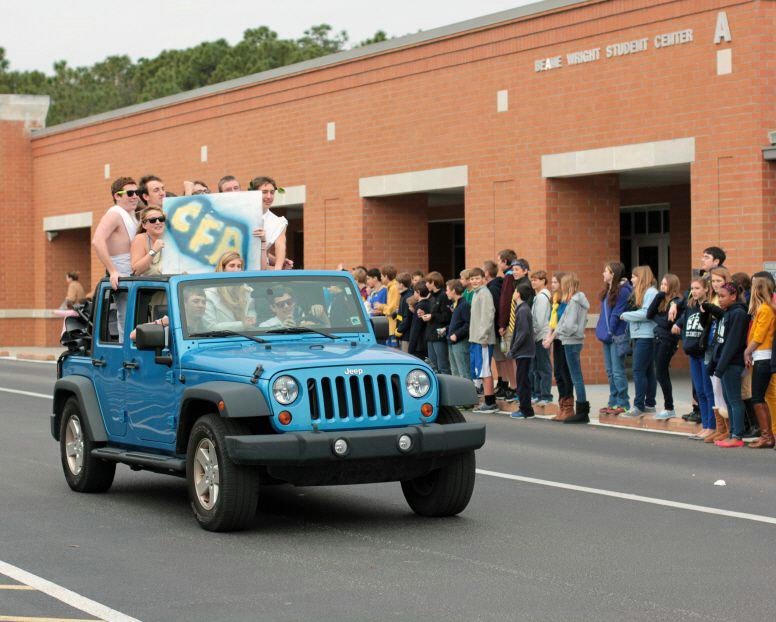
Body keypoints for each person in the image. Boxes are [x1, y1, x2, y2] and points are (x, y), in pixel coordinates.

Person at [92, 176, 140, 342]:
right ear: (116, 196)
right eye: (130, 193)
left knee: (136, 318)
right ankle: (124, 353)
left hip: (136, 274)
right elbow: (97, 240)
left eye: (137, 192)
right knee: (127, 319)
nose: (135, 196)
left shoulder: (131, 215)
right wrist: (112, 270)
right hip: (122, 274)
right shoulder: (114, 214)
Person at [708, 282, 749, 447]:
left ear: (733, 296)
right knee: (727, 399)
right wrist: (714, 362)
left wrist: (720, 366)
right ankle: (732, 433)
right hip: (724, 363)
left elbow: (732, 343)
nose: (720, 299)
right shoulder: (727, 313)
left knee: (734, 399)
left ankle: (737, 436)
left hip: (732, 363)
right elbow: (719, 341)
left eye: (723, 296)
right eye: (718, 296)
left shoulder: (738, 314)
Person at [673, 278, 715, 440]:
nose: (694, 291)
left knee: (707, 391)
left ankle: (712, 426)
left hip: (704, 352)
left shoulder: (710, 306)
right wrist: (678, 324)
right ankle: (705, 425)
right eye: (692, 288)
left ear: (706, 289)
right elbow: (683, 319)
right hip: (693, 352)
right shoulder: (691, 305)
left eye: (697, 288)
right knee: (699, 391)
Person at [743, 275, 776, 448]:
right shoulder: (765, 308)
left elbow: (759, 336)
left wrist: (747, 352)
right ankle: (768, 435)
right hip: (762, 357)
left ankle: (767, 437)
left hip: (763, 357)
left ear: (757, 290)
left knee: (757, 398)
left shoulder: (765, 309)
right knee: (762, 398)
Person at [621, 266, 658, 418]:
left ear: (641, 277)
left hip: (646, 336)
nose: (632, 279)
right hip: (640, 335)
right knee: (648, 371)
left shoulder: (651, 292)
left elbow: (646, 313)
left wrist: (625, 315)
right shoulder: (643, 292)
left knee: (638, 371)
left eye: (634, 276)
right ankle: (649, 404)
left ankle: (638, 406)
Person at [595, 262, 632, 416]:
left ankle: (623, 403)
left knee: (617, 371)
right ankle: (613, 401)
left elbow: (616, 313)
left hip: (616, 335)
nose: (603, 273)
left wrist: (609, 331)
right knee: (610, 371)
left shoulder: (623, 291)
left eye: (606, 271)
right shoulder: (608, 290)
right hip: (607, 335)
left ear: (613, 274)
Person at [553, 272, 590, 423]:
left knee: (576, 377)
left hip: (571, 341)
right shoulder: (576, 300)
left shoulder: (574, 302)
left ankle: (582, 411)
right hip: (574, 340)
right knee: (576, 376)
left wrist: (561, 332)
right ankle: (581, 410)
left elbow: (569, 325)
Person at [647, 273, 684, 420]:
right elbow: (649, 314)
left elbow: (667, 324)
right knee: (660, 373)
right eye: (661, 284)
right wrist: (658, 296)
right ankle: (668, 407)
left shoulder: (676, 302)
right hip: (658, 338)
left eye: (665, 284)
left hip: (667, 341)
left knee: (661, 373)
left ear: (672, 286)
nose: (662, 287)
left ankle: (669, 407)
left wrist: (657, 318)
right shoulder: (662, 300)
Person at [543, 272, 574, 421]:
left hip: (564, 339)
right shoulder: (555, 300)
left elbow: (562, 323)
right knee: (558, 373)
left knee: (565, 372)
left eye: (555, 282)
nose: (552, 285)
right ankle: (562, 406)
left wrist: (551, 337)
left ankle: (568, 407)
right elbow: (552, 321)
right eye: (552, 282)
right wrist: (548, 336)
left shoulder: (566, 301)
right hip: (556, 339)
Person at [203, 251, 257, 331]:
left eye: (239, 266)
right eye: (232, 266)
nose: (236, 270)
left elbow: (251, 309)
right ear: (222, 269)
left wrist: (251, 317)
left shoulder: (247, 290)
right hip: (222, 338)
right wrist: (242, 325)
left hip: (250, 336)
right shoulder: (209, 294)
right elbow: (210, 327)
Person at [469, 267, 498, 413]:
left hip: (483, 340)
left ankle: (490, 402)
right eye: (472, 279)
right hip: (475, 339)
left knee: (485, 370)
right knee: (481, 370)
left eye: (477, 278)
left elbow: (488, 316)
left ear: (483, 279)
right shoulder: (476, 293)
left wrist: (484, 337)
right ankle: (488, 401)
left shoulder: (485, 293)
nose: (474, 281)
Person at [507, 282, 535, 419]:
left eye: (515, 291)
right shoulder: (522, 308)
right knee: (523, 380)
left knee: (522, 381)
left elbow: (523, 332)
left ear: (518, 294)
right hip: (523, 351)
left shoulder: (523, 310)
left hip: (524, 351)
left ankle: (525, 410)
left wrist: (513, 349)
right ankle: (527, 409)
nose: (513, 293)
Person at [249, 176, 288, 270]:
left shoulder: (278, 222)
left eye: (272, 192)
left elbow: (280, 245)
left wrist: (278, 269)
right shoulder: (242, 214)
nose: (269, 196)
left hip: (261, 269)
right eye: (264, 192)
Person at [496, 250, 518, 401]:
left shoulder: (509, 277)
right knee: (508, 357)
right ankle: (513, 386)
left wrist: (502, 324)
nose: (498, 264)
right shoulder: (508, 276)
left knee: (511, 358)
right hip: (510, 323)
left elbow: (505, 302)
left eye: (499, 260)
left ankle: (515, 387)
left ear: (505, 261)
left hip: (509, 324)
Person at [529, 270, 553, 406]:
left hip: (541, 336)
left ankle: (546, 396)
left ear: (543, 281)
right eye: (532, 280)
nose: (533, 282)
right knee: (537, 367)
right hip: (538, 336)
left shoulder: (542, 297)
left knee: (543, 367)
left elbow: (540, 320)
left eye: (536, 280)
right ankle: (538, 394)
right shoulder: (538, 296)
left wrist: (533, 334)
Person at [421, 271, 452, 375]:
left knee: (442, 365)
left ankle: (447, 384)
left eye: (427, 282)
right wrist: (425, 314)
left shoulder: (443, 296)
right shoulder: (431, 297)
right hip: (430, 334)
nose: (426, 285)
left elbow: (446, 316)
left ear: (433, 282)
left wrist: (432, 316)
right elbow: (433, 313)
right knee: (432, 366)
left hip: (439, 335)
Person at [130, 205, 166, 276]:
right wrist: (154, 251)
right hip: (151, 282)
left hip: (172, 281)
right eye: (153, 220)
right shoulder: (140, 239)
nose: (158, 222)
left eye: (161, 219)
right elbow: (136, 271)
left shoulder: (169, 237)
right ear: (144, 225)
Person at [446, 279, 471, 379]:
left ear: (453, 291)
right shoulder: (456, 305)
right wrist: (446, 329)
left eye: (447, 290)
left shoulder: (464, 305)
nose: (446, 292)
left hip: (460, 342)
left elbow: (468, 324)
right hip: (452, 342)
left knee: (463, 372)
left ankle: (467, 390)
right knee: (455, 372)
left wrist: (457, 335)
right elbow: (457, 323)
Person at [375, 265, 400, 345]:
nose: (381, 278)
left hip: (393, 326)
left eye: (382, 276)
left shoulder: (394, 288)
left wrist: (381, 306)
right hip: (390, 325)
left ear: (386, 276)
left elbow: (392, 309)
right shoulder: (390, 287)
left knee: (393, 349)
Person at [408, 282, 430, 360]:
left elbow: (416, 327)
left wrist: (411, 348)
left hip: (419, 344)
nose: (413, 294)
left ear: (418, 292)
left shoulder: (419, 306)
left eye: (414, 292)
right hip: (426, 342)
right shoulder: (429, 303)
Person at [395, 272, 414, 353]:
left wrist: (399, 330)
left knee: (406, 355)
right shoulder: (403, 295)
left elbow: (407, 318)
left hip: (406, 335)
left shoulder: (407, 297)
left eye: (396, 283)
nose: (395, 285)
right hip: (403, 334)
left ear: (401, 285)